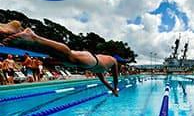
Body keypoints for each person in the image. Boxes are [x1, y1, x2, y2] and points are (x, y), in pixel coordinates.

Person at [4, 28, 132, 96]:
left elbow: (103, 80)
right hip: (91, 60)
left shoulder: (103, 67)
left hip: (89, 60)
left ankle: (17, 32)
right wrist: (115, 88)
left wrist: (112, 89)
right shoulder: (113, 61)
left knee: (56, 55)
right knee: (68, 55)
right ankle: (33, 36)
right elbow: (115, 77)